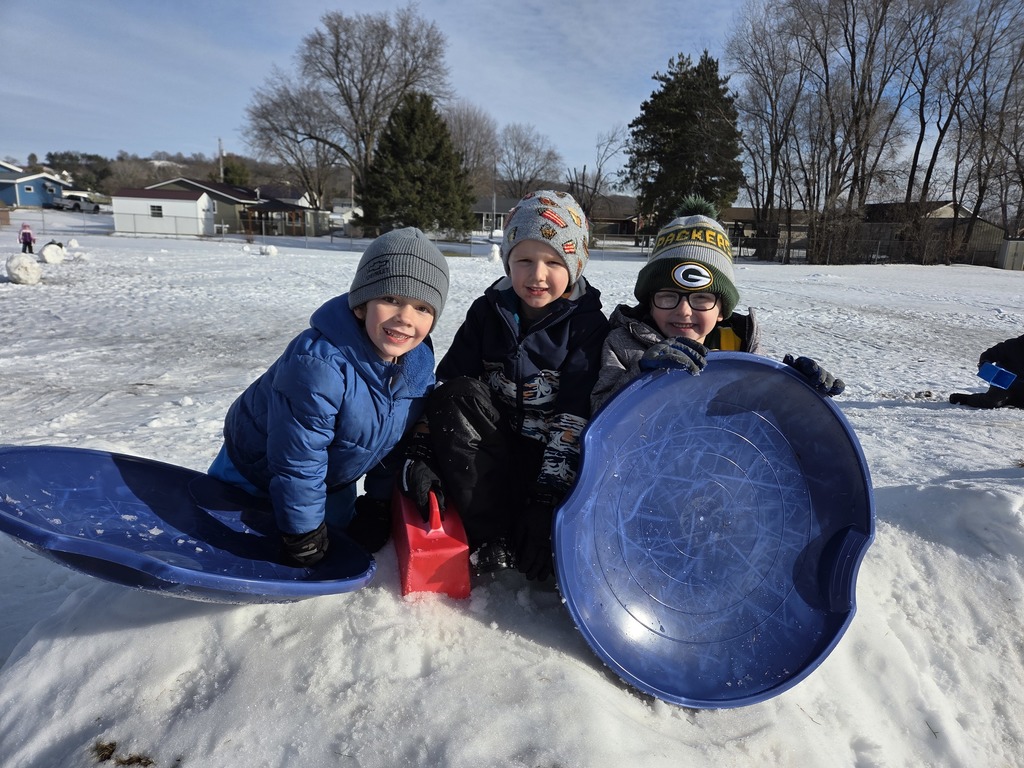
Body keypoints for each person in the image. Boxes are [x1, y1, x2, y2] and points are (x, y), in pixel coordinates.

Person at [398, 190, 609, 581]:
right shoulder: (487, 311)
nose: (537, 275)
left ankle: (545, 525)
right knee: (458, 395)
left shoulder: (588, 326)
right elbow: (452, 386)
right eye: (524, 260)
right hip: (493, 454)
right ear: (508, 259)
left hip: (555, 460)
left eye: (553, 261)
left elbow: (574, 414)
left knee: (587, 447)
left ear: (576, 264)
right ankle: (490, 535)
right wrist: (423, 449)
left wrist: (547, 501)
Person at [208, 227, 450, 566]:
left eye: (422, 308)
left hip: (330, 482)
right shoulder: (318, 365)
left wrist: (377, 504)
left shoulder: (416, 370)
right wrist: (302, 532)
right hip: (251, 472)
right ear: (362, 305)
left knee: (338, 541)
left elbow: (395, 444)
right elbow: (298, 456)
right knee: (231, 543)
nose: (405, 318)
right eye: (391, 299)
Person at [591, 195, 844, 414]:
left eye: (701, 298)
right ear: (649, 302)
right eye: (668, 296)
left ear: (722, 309)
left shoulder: (739, 347)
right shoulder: (622, 345)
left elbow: (760, 418)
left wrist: (794, 390)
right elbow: (598, 413)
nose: (684, 310)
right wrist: (641, 372)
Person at [949, 333, 1024, 408]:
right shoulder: (1011, 345)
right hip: (1004, 384)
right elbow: (987, 355)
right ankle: (966, 399)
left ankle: (1011, 400)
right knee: (992, 401)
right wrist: (985, 366)